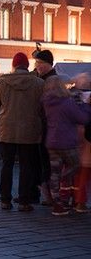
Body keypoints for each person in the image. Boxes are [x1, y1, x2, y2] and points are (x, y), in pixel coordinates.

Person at [0, 52, 44, 211]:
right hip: (30, 128)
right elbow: (42, 105)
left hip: (7, 128)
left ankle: (5, 200)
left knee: (6, 165)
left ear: (14, 65)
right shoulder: (38, 83)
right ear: (27, 66)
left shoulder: (4, 81)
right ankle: (24, 201)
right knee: (26, 165)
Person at [41, 76, 90, 216]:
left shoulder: (46, 102)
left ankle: (58, 204)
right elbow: (83, 119)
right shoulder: (66, 103)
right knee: (75, 165)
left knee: (54, 172)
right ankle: (69, 191)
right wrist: (86, 106)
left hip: (52, 142)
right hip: (67, 142)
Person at [33, 49, 57, 206]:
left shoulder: (51, 81)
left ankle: (49, 196)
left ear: (48, 64)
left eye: (40, 63)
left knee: (47, 162)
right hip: (43, 126)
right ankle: (44, 193)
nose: (37, 66)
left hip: (49, 128)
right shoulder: (41, 78)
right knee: (42, 161)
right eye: (36, 63)